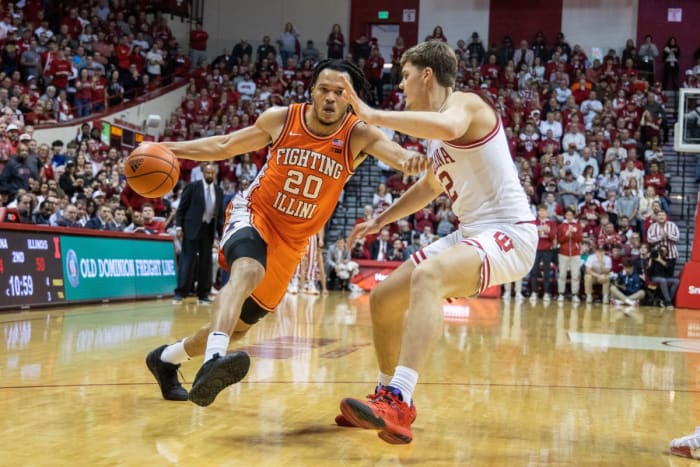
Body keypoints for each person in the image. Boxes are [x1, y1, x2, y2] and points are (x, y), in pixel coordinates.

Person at [145, 59, 425, 407]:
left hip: (291, 242)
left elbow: (395, 153)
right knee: (247, 271)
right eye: (324, 89)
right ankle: (213, 360)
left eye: (340, 93)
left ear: (350, 100)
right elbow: (224, 146)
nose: (330, 98)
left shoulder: (358, 134)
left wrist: (409, 160)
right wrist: (169, 149)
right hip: (255, 213)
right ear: (311, 92)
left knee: (241, 328)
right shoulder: (282, 119)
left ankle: (166, 359)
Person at [337, 40, 537, 444]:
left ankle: (400, 398)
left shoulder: (467, 105)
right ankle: (384, 395)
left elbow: (448, 127)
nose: (403, 87)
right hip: (472, 233)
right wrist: (380, 219)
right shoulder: (435, 138)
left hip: (510, 233)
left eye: (406, 77)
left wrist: (374, 115)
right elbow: (430, 186)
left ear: (427, 74)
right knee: (384, 297)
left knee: (428, 277)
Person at [173, 164, 225, 305]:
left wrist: (221, 235)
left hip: (208, 229)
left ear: (215, 174)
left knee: (206, 264)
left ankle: (203, 294)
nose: (210, 175)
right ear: (203, 172)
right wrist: (179, 226)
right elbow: (181, 209)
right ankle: (180, 293)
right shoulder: (192, 187)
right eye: (207, 172)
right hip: (191, 228)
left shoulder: (219, 191)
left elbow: (219, 215)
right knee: (187, 261)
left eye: (212, 173)